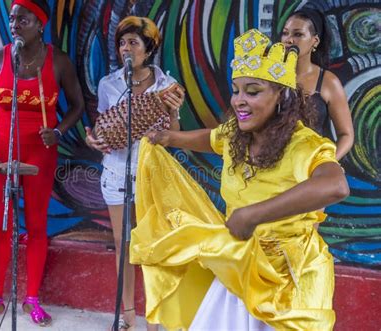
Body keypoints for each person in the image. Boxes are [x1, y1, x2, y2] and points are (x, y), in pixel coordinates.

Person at [129, 29, 350, 330]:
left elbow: (335, 185)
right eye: (236, 90)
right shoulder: (238, 134)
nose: (239, 101)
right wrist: (170, 137)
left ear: (281, 95)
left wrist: (254, 214)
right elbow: (212, 138)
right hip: (239, 263)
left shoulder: (304, 144)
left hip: (288, 277)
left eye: (253, 91)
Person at [0, 0, 84, 326]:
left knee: (35, 224)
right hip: (3, 149)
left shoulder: (58, 62)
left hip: (40, 152)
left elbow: (76, 106)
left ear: (40, 23)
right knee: (0, 224)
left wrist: (58, 132)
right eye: (12, 19)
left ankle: (31, 299)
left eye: (23, 19)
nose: (14, 24)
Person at [85, 16, 185, 331]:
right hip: (115, 170)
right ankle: (127, 314)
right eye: (122, 42)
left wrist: (170, 111)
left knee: (151, 244)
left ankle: (153, 317)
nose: (126, 49)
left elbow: (176, 134)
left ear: (148, 48)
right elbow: (103, 129)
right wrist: (94, 140)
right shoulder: (108, 84)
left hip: (150, 172)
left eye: (134, 43)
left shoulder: (166, 86)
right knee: (123, 243)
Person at [280, 7, 354, 160]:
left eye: (298, 34)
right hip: (272, 170)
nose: (289, 40)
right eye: (285, 33)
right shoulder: (269, 76)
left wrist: (324, 165)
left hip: (309, 171)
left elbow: (346, 135)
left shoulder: (328, 82)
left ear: (315, 41)